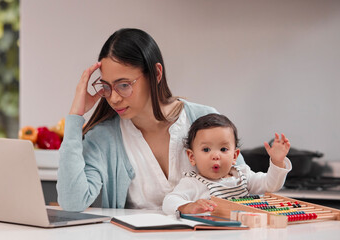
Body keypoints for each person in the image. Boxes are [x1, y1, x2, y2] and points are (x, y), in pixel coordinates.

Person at [56, 28, 245, 211]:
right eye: (107, 86)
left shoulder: (203, 119)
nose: (114, 98)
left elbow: (245, 187)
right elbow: (72, 202)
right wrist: (75, 115)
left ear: (156, 74)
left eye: (123, 85)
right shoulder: (104, 137)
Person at [162, 113, 292, 215]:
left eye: (223, 149)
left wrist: (277, 161)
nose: (216, 156)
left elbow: (271, 185)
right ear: (192, 156)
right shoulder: (193, 183)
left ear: (235, 156)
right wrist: (188, 206)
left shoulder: (243, 175)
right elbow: (169, 201)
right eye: (206, 149)